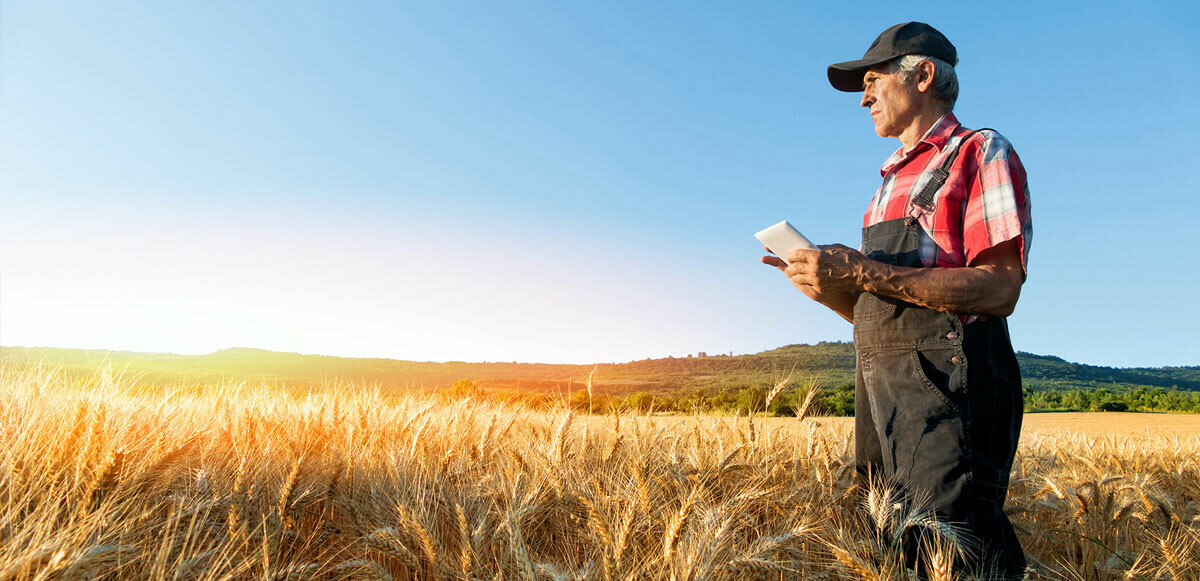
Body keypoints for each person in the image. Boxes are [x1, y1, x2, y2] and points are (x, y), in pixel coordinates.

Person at [761, 22, 1031, 578]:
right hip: (883, 393)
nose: (863, 96)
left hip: (952, 387)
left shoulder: (979, 152)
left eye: (874, 80)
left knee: (957, 551)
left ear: (924, 75)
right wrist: (834, 293)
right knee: (894, 546)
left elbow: (1001, 287)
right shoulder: (885, 184)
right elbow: (890, 308)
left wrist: (860, 268)